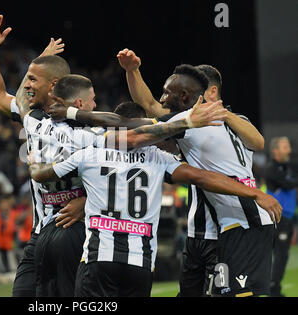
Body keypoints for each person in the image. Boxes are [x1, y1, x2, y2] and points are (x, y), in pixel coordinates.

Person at [27, 133, 281, 297]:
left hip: (98, 258)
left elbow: (42, 174)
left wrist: (33, 162)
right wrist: (254, 193)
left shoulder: (89, 154)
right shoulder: (158, 157)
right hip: (140, 263)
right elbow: (202, 177)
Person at [112, 64, 281, 297]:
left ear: (209, 93)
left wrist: (132, 72)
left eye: (168, 92)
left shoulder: (199, 120)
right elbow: (259, 143)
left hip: (238, 222)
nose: (163, 99)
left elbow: (148, 109)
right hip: (219, 225)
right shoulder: (232, 121)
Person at [0, 13, 85, 296]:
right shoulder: (33, 117)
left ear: (53, 86)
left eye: (32, 80)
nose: (26, 85)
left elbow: (114, 170)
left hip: (77, 233)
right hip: (40, 234)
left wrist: (86, 203)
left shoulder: (85, 122)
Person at [266, 137, 298, 297]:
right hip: (277, 217)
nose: (289, 150)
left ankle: (274, 287)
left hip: (287, 216)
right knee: (279, 253)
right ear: (276, 150)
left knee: (282, 254)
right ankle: (272, 289)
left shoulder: (287, 168)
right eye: (285, 147)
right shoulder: (271, 168)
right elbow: (288, 184)